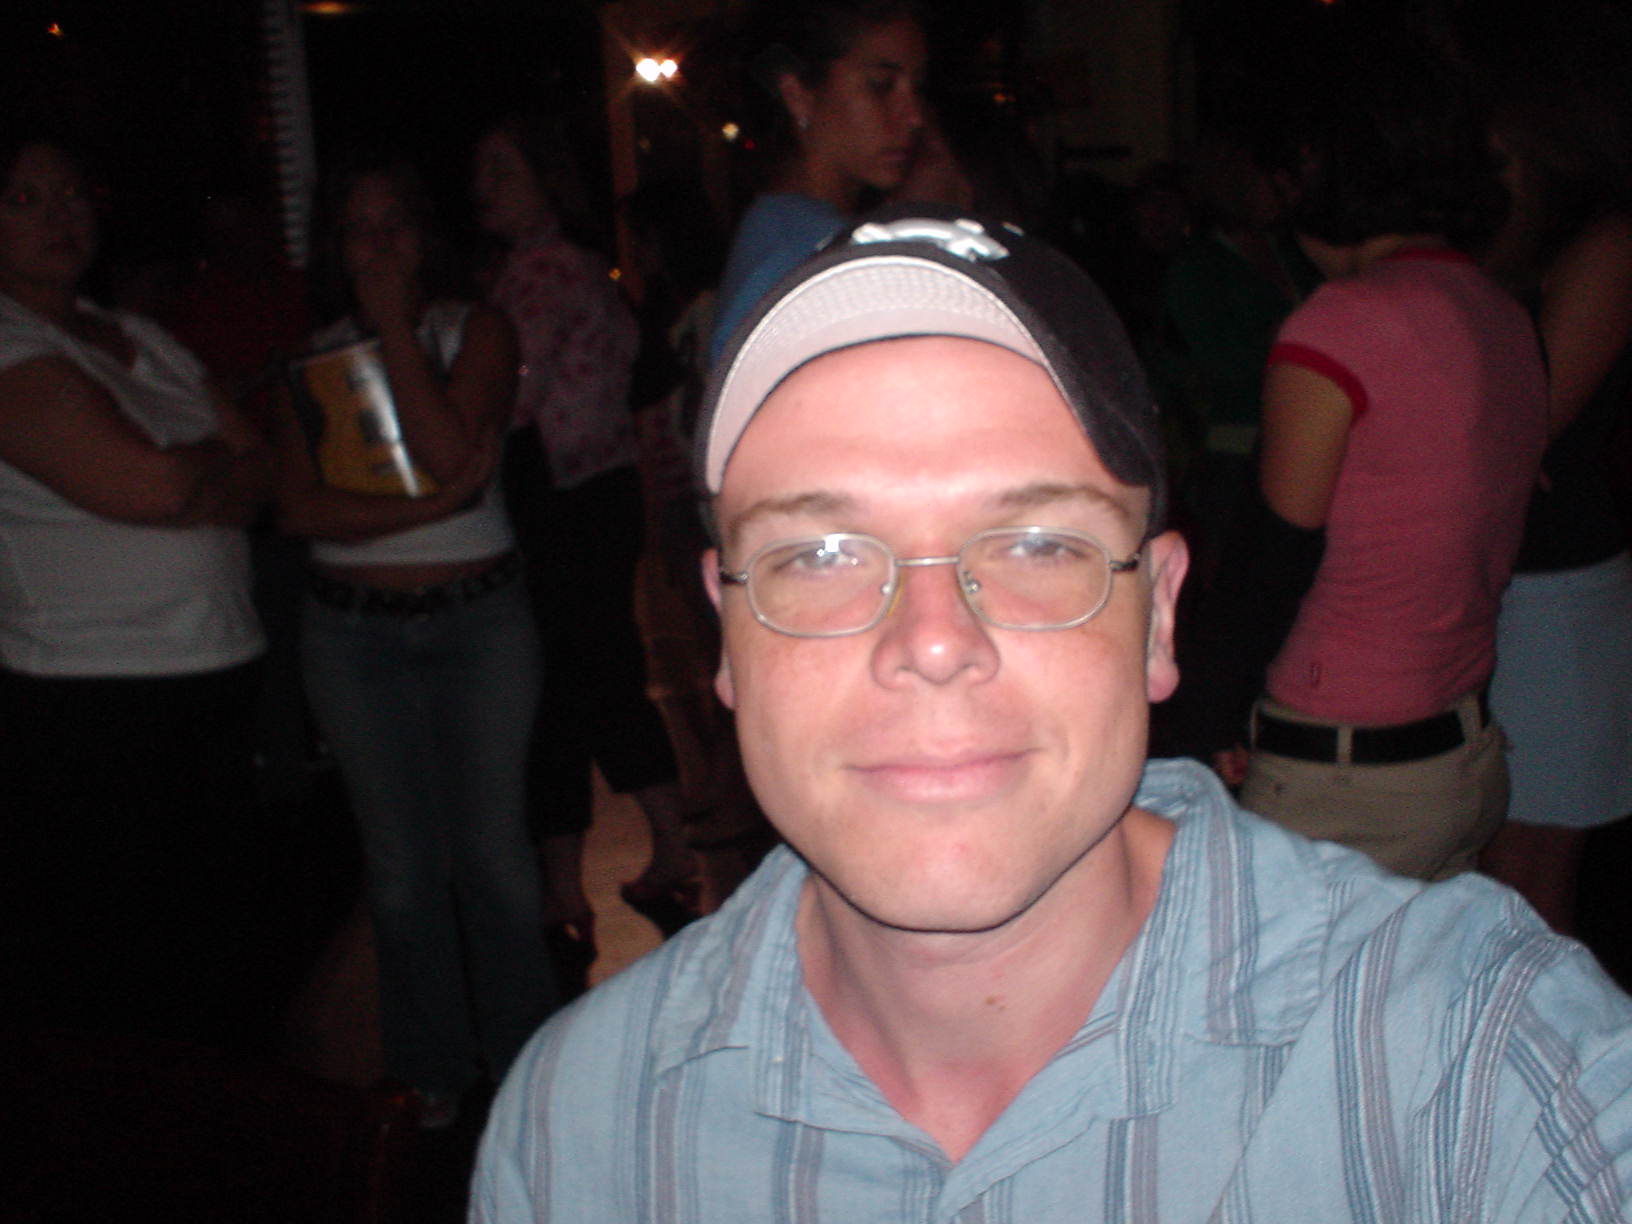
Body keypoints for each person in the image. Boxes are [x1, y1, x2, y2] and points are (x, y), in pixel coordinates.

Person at [470, 205, 1632, 1220]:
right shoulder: (581, 1127)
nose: (932, 641)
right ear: (727, 631)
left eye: (1036, 543)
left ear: (1160, 618)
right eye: (820, 552)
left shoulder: (1480, 1063)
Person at [1169, 38, 1548, 882]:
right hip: (1460, 752)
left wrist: (1194, 727)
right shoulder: (1499, 312)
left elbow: (1272, 560)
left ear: (1314, 165)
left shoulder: (1341, 324)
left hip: (1345, 773)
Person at [275, 160, 553, 1127]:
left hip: (479, 623)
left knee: (495, 861)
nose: (381, 244)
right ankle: (429, 1075)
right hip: (351, 635)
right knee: (399, 873)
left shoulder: (477, 330)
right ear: (334, 247)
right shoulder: (311, 360)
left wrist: (395, 328)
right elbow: (300, 508)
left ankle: (529, 1077)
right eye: (360, 228)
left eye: (396, 222)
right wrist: (438, 503)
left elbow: (446, 449)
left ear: (425, 235)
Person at [0, 134, 272, 1047]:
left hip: (214, 676)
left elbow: (264, 471)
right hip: (92, 704)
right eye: (26, 198)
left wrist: (199, 476)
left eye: (71, 193)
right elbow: (147, 485)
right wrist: (201, 472)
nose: (59, 214)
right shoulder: (9, 343)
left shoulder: (142, 338)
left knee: (223, 959)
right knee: (123, 988)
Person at [474, 116, 702, 990]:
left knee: (574, 684)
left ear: (545, 180)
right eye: (482, 174)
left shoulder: (542, 275)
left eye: (503, 170)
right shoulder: (570, 270)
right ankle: (618, 869)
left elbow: (509, 402)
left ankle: (595, 878)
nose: (485, 189)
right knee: (589, 679)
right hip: (591, 496)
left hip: (561, 500)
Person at [1477, 53, 1632, 932]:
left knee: (1528, 879)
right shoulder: (1514, 242)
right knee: (1491, 871)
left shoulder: (1607, 245)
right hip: (1504, 576)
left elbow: (1524, 425)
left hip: (1559, 587)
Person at [709, 0, 927, 361]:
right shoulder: (812, 259)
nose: (914, 116)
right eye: (881, 85)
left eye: (916, 87)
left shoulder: (785, 230)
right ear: (798, 95)